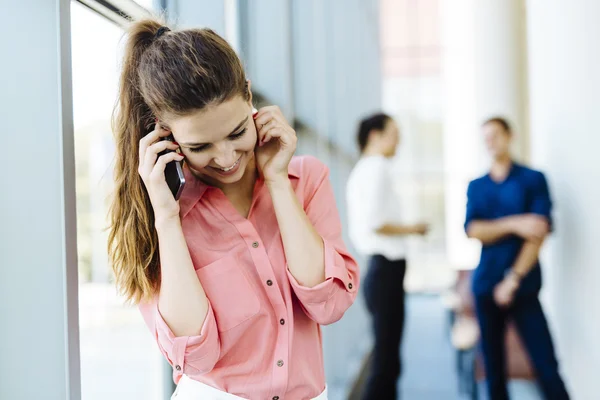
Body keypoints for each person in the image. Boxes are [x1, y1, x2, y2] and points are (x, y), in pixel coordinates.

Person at [107, 19, 359, 400]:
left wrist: (277, 182)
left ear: (249, 95)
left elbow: (329, 303)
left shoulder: (306, 181)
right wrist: (166, 217)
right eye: (200, 146)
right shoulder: (159, 213)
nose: (226, 158)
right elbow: (195, 353)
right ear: (165, 135)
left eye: (238, 132)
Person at [464, 117, 570, 400]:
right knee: (494, 371)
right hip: (486, 286)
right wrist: (515, 223)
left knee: (546, 365)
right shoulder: (477, 186)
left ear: (510, 136)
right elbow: (473, 229)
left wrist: (512, 279)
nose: (491, 142)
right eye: (485, 137)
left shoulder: (533, 179)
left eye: (496, 135)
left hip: (523, 286)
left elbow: (538, 232)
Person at [346, 113, 428, 399]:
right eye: (394, 133)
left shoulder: (364, 170)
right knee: (386, 360)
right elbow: (376, 222)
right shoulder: (376, 167)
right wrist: (414, 228)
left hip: (380, 272)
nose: (399, 140)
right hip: (385, 271)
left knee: (387, 357)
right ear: (375, 136)